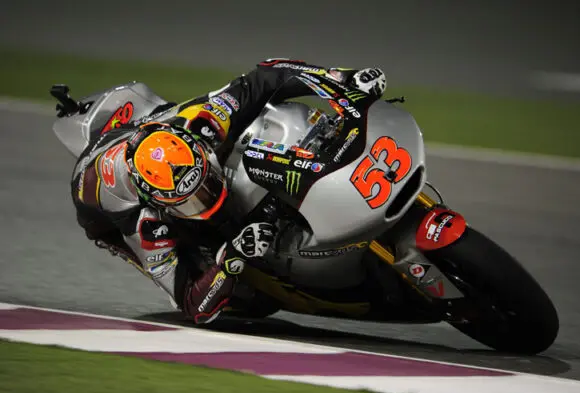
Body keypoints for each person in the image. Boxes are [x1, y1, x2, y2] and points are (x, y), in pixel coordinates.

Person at [70, 58, 387, 324]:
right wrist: (232, 257)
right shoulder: (145, 224)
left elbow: (268, 75)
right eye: (191, 201)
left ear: (199, 150)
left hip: (152, 135)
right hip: (101, 211)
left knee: (260, 118)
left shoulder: (204, 123)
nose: (206, 198)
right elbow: (193, 305)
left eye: (205, 182)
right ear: (158, 204)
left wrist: (341, 79)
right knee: (246, 300)